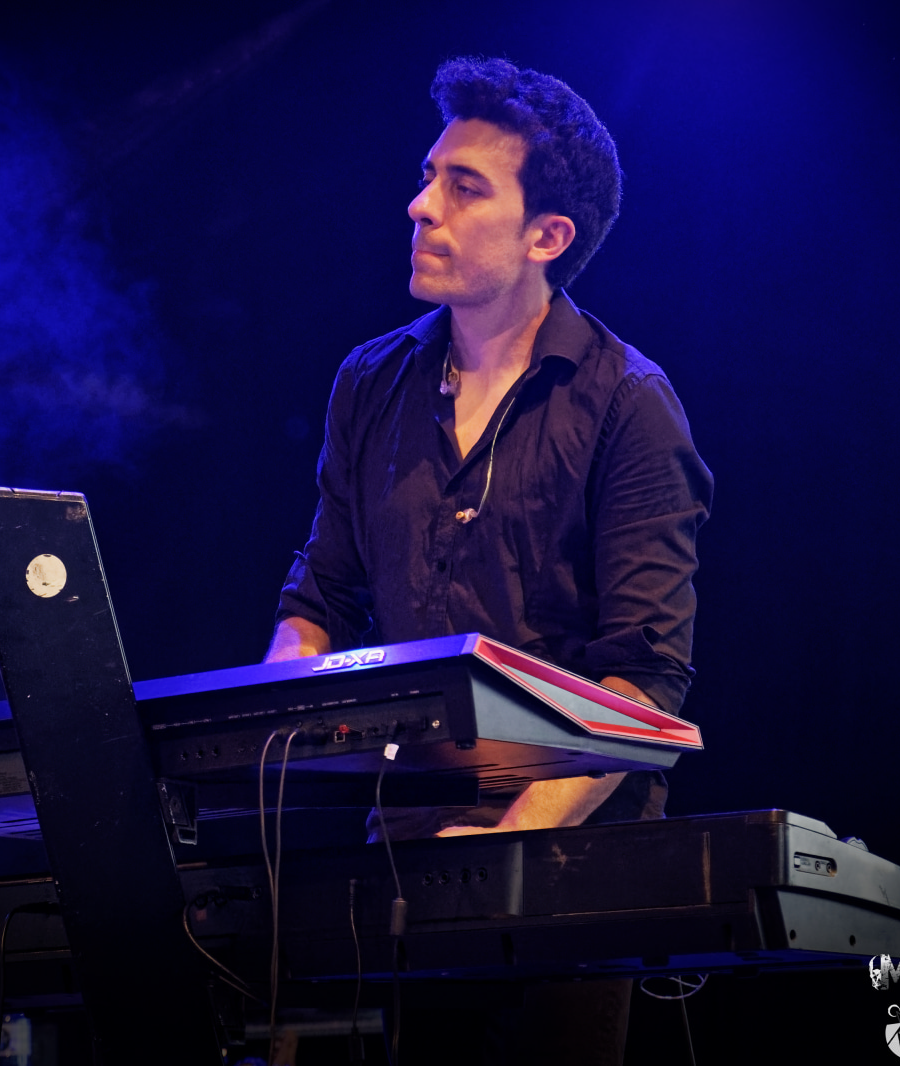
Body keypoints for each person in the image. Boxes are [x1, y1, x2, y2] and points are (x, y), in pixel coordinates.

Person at [267, 56, 712, 843]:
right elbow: (322, 599)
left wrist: (503, 843)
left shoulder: (629, 403)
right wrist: (254, 743)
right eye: (428, 177)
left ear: (547, 236)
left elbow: (643, 680)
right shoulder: (370, 381)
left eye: (465, 188)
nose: (421, 206)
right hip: (402, 843)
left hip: (572, 858)